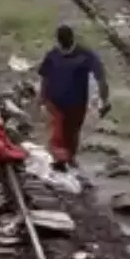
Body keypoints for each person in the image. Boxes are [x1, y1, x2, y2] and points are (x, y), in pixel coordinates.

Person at [37, 25, 111, 171]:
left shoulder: (84, 55)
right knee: (58, 131)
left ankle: (69, 158)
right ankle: (60, 159)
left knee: (72, 131)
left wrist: (105, 99)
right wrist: (41, 97)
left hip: (76, 103)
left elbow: (100, 77)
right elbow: (44, 77)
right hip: (55, 101)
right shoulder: (53, 55)